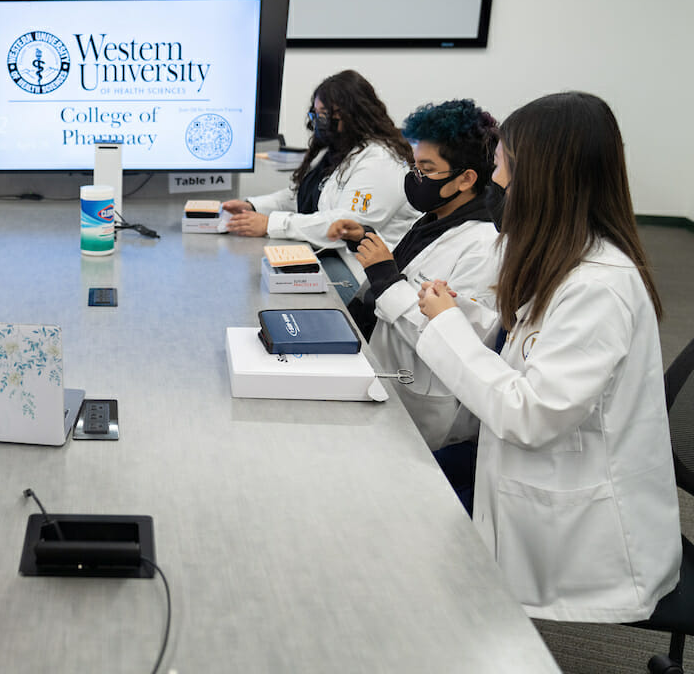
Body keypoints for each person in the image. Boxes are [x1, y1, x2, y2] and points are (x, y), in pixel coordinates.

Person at [416, 91, 680, 622]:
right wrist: (461, 312)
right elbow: (531, 354)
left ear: (539, 179)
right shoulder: (564, 257)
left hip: (584, 540)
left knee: (414, 563)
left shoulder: (599, 285)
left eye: (499, 169)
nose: (494, 184)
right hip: (523, 485)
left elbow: (532, 415)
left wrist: (446, 325)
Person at [328, 100, 499, 458]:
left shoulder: (484, 246)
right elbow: (413, 268)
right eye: (414, 165)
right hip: (386, 372)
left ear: (466, 179)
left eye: (427, 168)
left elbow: (456, 342)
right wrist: (367, 238)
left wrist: (386, 279)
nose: (415, 177)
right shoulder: (434, 219)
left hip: (425, 407)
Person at [223, 70, 419, 247]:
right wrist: (253, 206)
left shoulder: (381, 160)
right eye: (316, 115)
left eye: (325, 115)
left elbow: (346, 222)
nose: (319, 123)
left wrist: (271, 224)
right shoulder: (342, 149)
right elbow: (305, 195)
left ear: (356, 115)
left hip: (360, 271)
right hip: (332, 258)